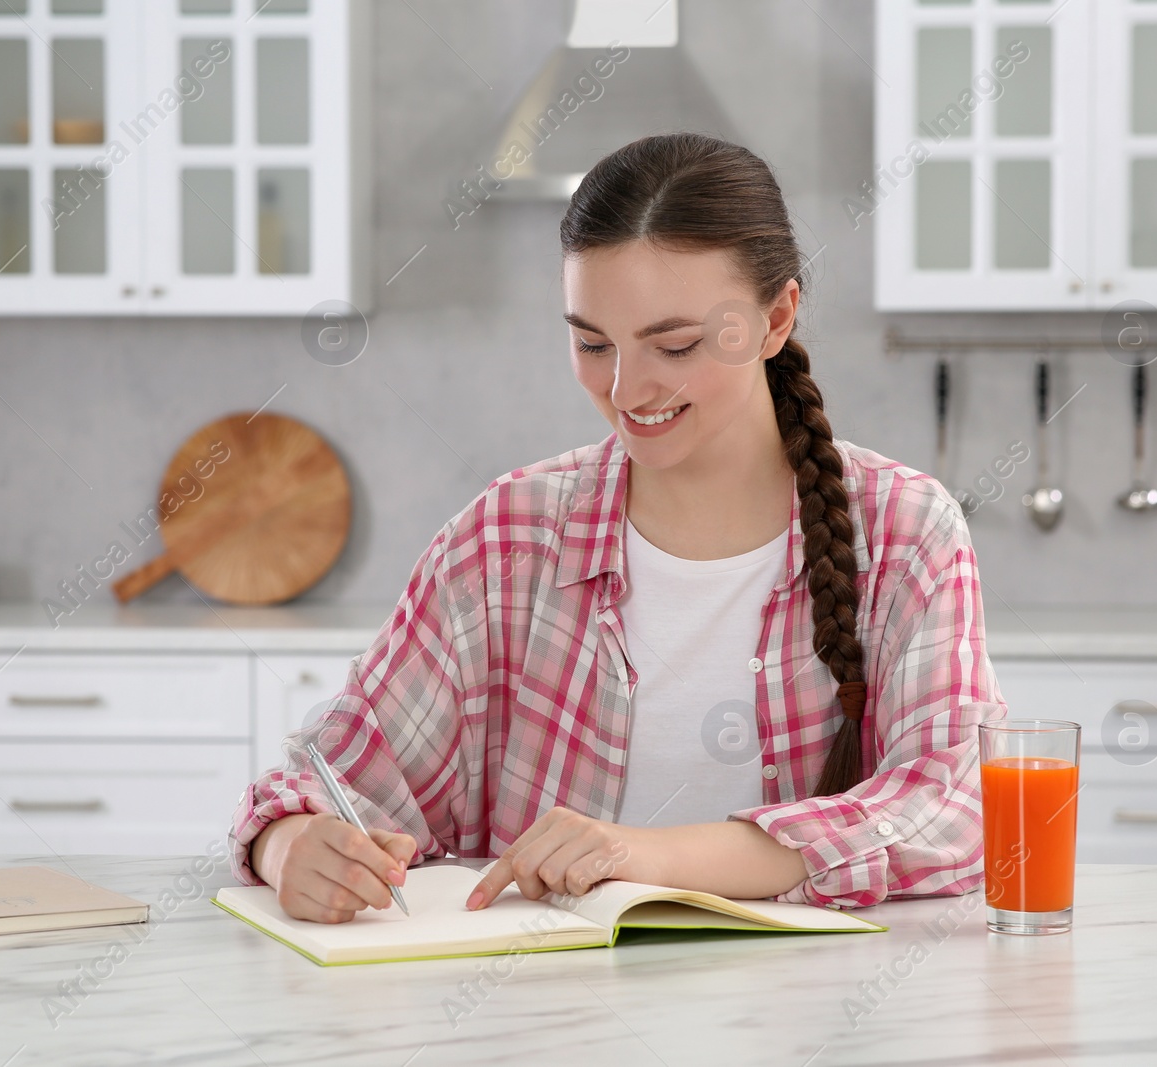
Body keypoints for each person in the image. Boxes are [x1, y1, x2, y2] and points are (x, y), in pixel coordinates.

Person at [229, 132, 1008, 924]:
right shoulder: (505, 538)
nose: (627, 389)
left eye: (673, 344)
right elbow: (334, 775)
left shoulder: (905, 531)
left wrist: (645, 854)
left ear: (776, 318)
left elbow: (954, 807)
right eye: (591, 342)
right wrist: (291, 845)